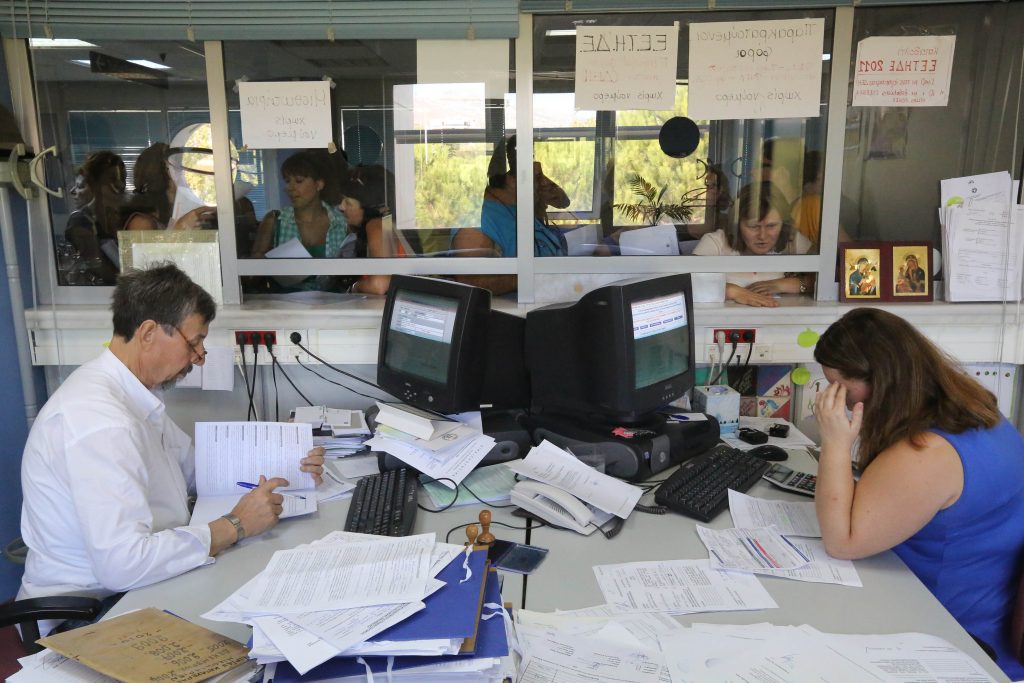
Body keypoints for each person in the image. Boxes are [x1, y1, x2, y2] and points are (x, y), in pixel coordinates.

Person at [18, 263, 325, 633]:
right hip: (86, 613)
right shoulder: (100, 423)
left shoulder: (129, 393)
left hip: (136, 586)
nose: (199, 358)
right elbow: (122, 566)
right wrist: (235, 526)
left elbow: (199, 469)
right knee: (254, 630)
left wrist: (289, 456)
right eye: (193, 342)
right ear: (148, 332)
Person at [813, 308, 1024, 681]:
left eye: (842, 387)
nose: (837, 399)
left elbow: (842, 541)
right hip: (986, 609)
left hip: (955, 636)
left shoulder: (925, 452)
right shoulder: (974, 408)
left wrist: (834, 444)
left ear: (882, 379)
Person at [450, 135, 569, 295]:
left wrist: (542, 179)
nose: (537, 185)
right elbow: (474, 283)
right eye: (534, 180)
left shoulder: (523, 208)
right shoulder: (476, 225)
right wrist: (540, 275)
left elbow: (563, 201)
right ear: (512, 181)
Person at [692, 182, 813, 307]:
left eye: (771, 226)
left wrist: (781, 284)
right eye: (753, 226)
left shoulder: (793, 242)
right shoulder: (716, 242)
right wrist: (732, 291)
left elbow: (825, 279)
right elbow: (686, 282)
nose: (762, 235)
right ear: (736, 225)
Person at [251, 151, 350, 291]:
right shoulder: (274, 220)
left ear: (319, 184)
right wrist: (268, 262)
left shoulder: (341, 223)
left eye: (298, 180)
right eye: (287, 181)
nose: (289, 188)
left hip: (331, 307)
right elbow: (253, 274)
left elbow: (350, 273)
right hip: (283, 308)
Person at [338, 165, 403, 295]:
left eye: (348, 202)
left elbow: (379, 285)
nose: (341, 207)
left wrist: (354, 287)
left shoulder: (376, 225)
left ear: (369, 206)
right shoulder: (391, 224)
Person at [64, 151, 127, 284]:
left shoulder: (124, 217)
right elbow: (104, 273)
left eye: (81, 186)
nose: (73, 191)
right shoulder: (80, 221)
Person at [122, 143, 215, 231]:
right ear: (160, 173)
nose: (184, 170)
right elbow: (144, 248)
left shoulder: (176, 209)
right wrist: (179, 229)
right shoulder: (141, 222)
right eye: (176, 165)